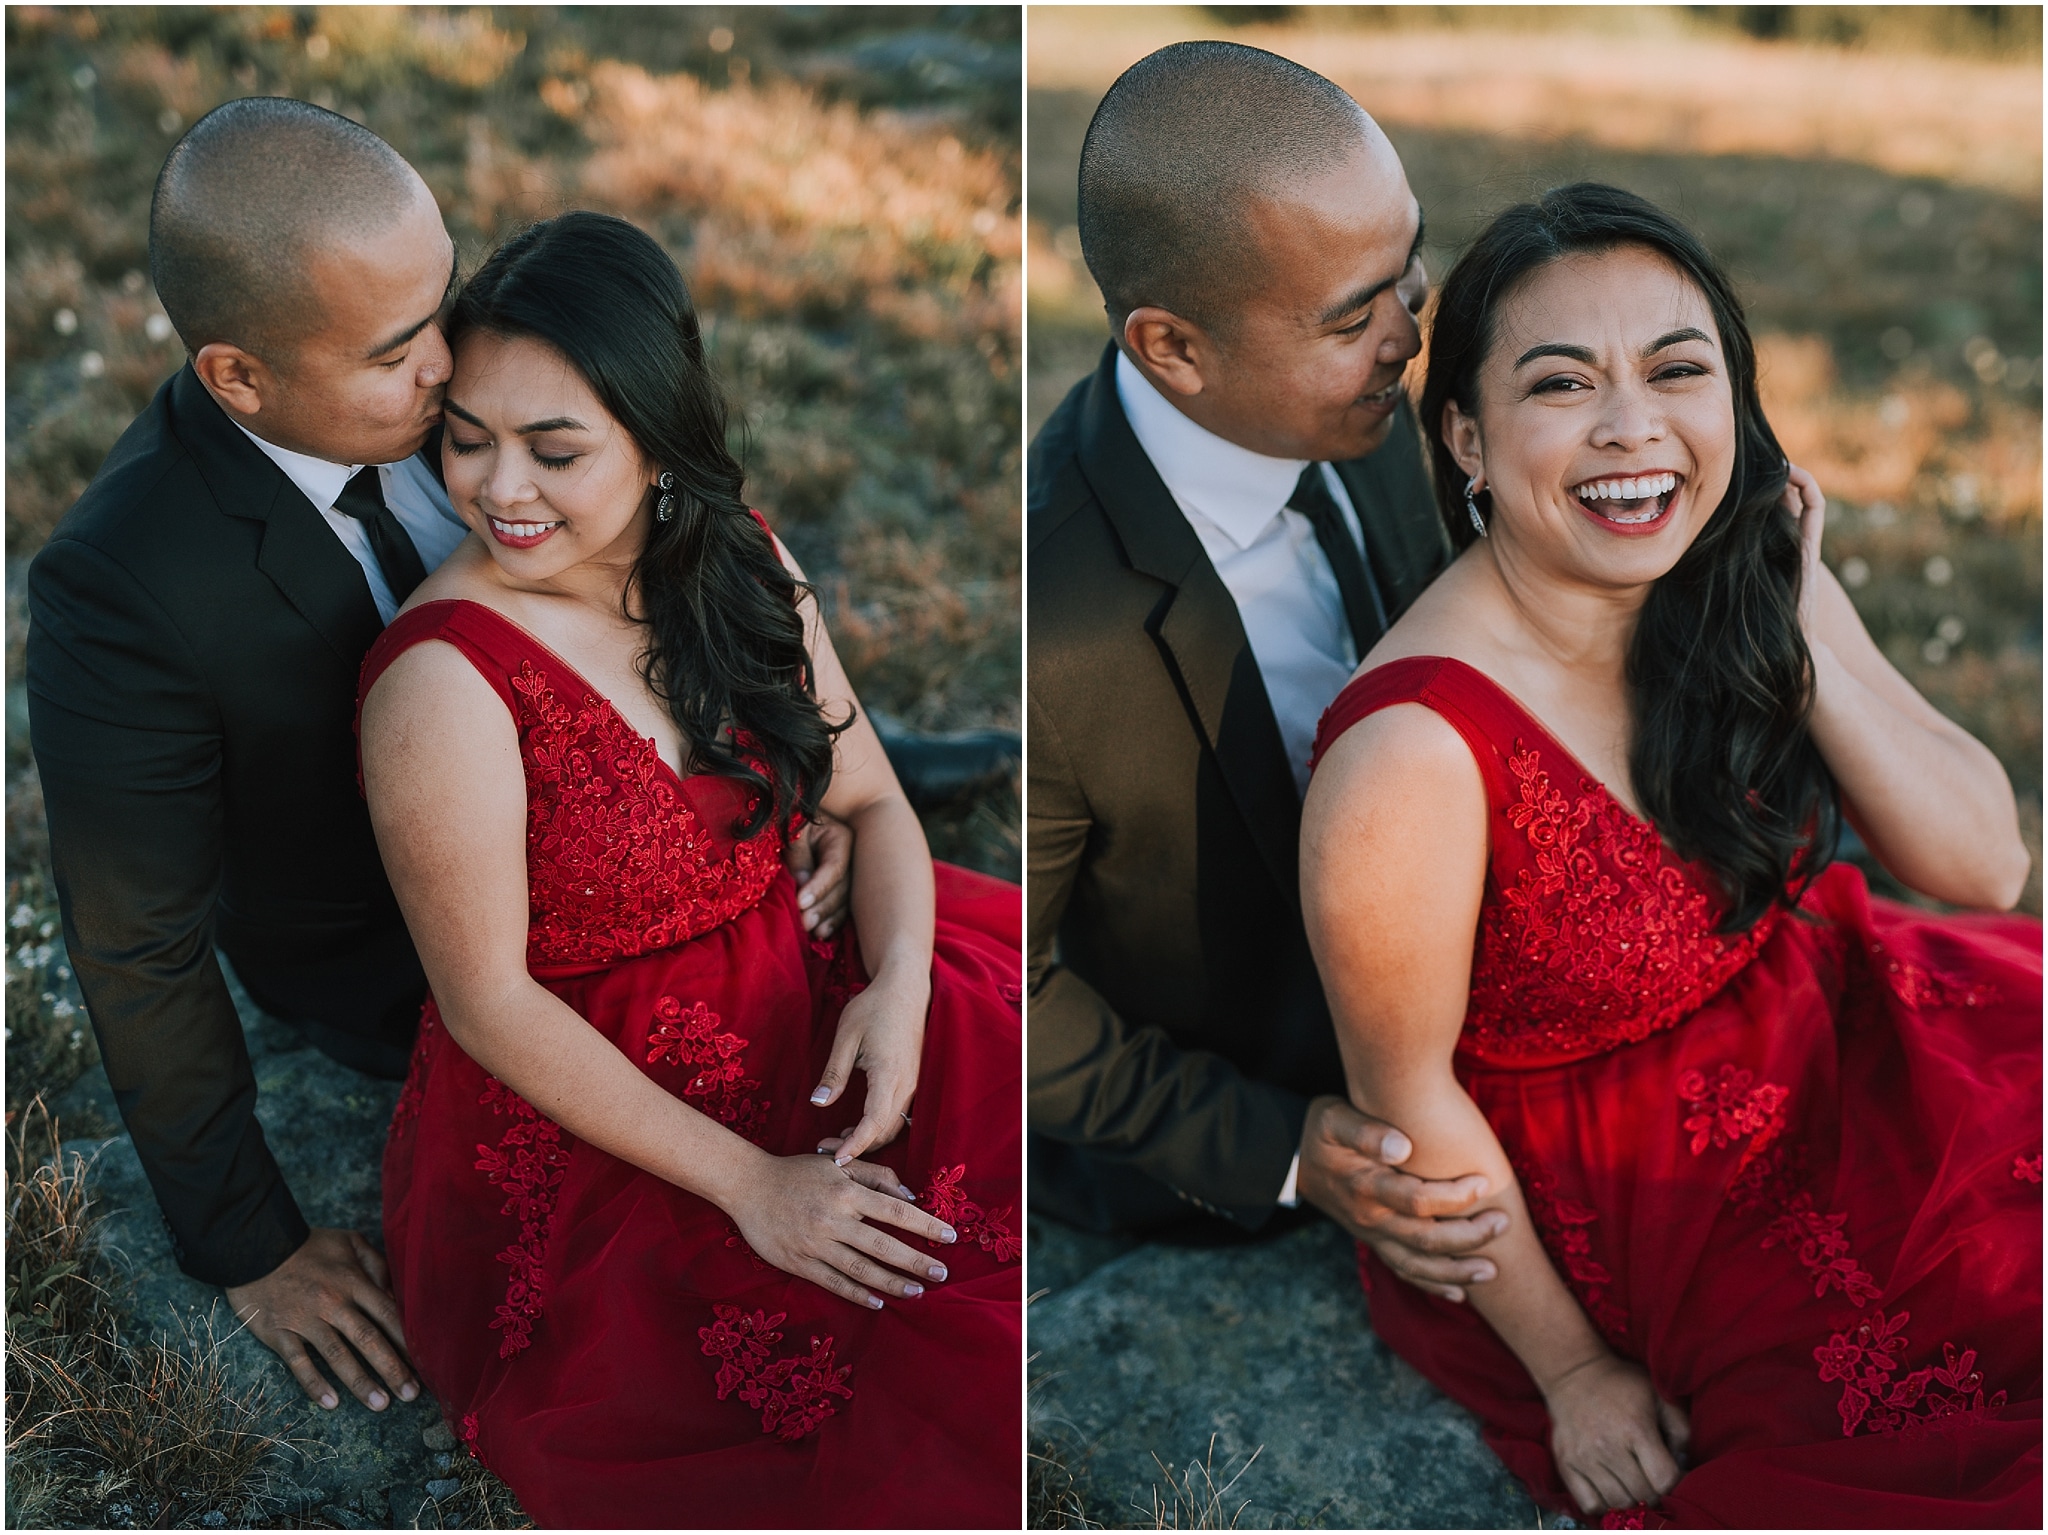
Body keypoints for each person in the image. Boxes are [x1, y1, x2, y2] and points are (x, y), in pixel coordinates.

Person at [21, 95, 990, 1420]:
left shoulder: (478, 386)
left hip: (708, 831)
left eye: (441, 304)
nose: (447, 368)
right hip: (429, 959)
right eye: (398, 352)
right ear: (242, 377)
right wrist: (250, 1244)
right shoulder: (126, 580)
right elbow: (139, 940)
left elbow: (657, 531)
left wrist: (793, 789)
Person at [1303, 181, 2040, 1527]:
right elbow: (1406, 1102)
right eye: (1563, 383)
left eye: (1678, 370)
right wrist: (1575, 1367)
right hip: (1643, 1201)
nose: (1633, 425)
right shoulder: (1409, 750)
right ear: (1465, 434)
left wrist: (1796, 599)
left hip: (1845, 1025)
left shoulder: (1727, 558)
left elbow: (1984, 865)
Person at [355, 210, 1020, 1527]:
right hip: (596, 1096)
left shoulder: (736, 558)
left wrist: (893, 991)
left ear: (659, 445)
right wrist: (752, 1184)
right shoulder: (442, 680)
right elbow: (487, 999)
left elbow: (877, 801)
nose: (500, 489)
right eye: (468, 437)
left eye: (555, 449)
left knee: (997, 1139)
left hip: (807, 975)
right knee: (820, 1385)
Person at [1028, 41, 1504, 1294]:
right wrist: (1280, 1146)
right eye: (1356, 316)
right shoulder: (1055, 626)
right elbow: (1007, 990)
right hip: (1249, 1102)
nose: (1410, 333)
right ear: (1172, 347)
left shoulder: (1359, 399)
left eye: (1408, 266)